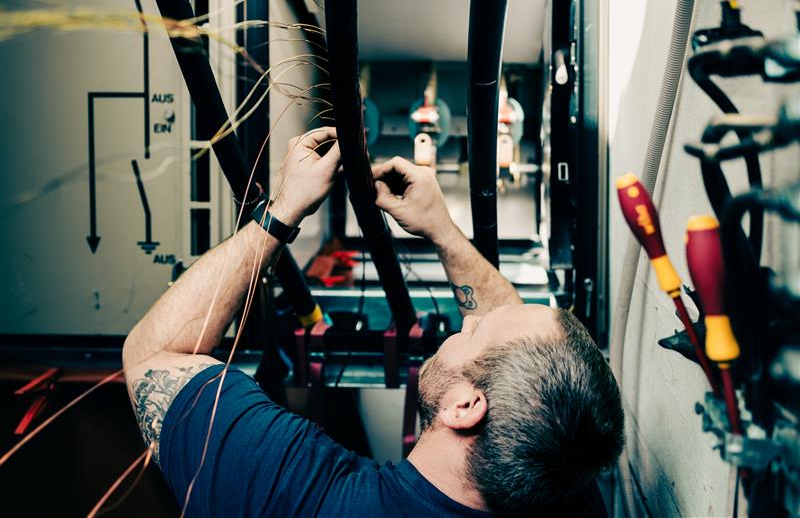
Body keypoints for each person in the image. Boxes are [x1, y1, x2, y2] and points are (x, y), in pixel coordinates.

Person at [123, 127, 624, 517]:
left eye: (473, 331)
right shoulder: (565, 482)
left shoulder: (302, 498)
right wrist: (443, 231)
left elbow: (152, 355)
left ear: (466, 406)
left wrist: (282, 211)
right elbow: (512, 343)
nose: (466, 322)